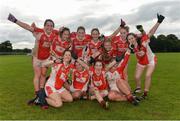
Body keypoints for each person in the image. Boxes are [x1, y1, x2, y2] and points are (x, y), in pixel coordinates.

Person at [7, 13, 58, 109]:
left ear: (53, 27)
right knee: (37, 75)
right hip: (36, 58)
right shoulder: (39, 31)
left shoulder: (55, 33)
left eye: (51, 26)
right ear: (44, 26)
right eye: (47, 25)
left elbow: (66, 34)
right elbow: (27, 27)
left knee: (43, 75)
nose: (49, 27)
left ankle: (39, 96)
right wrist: (15, 20)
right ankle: (40, 97)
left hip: (46, 59)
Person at [127, 13, 165, 99]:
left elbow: (151, 32)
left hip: (151, 60)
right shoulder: (130, 46)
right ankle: (138, 88)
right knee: (136, 77)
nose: (131, 40)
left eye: (132, 38)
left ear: (135, 38)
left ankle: (145, 93)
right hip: (141, 62)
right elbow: (139, 55)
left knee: (148, 75)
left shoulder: (143, 40)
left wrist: (158, 22)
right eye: (129, 39)